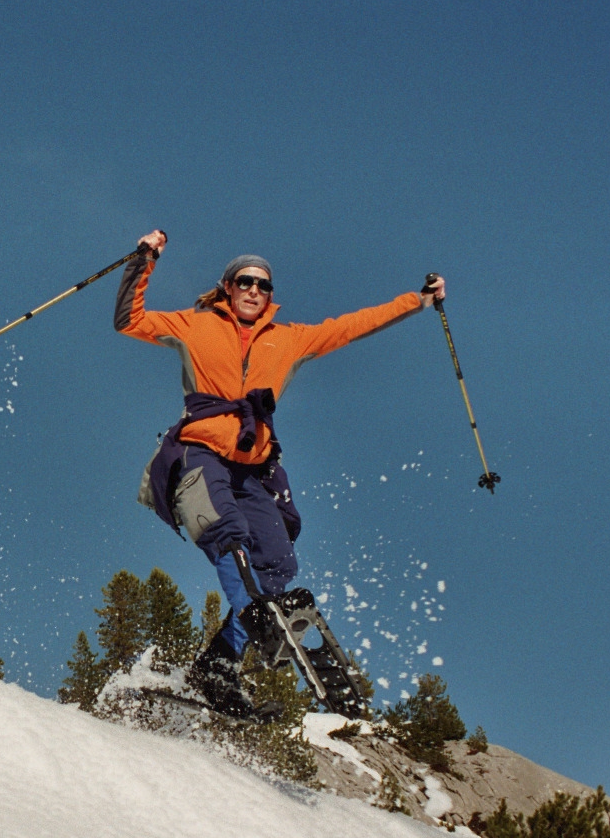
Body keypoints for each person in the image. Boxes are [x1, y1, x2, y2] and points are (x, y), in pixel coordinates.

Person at [114, 229, 443, 717]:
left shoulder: (291, 340)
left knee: (277, 563)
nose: (253, 289)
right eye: (244, 281)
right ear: (228, 287)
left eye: (262, 284)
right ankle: (257, 621)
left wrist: (417, 301)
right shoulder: (194, 325)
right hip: (199, 452)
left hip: (252, 468)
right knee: (226, 530)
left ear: (270, 295)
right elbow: (129, 319)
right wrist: (144, 259)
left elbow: (354, 325)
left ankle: (220, 663)